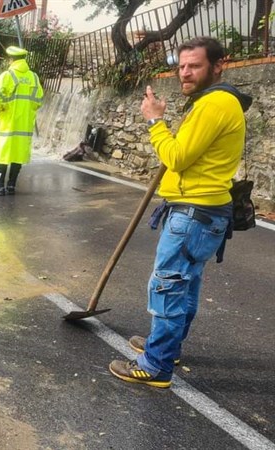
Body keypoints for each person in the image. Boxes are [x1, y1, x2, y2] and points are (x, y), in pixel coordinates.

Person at [109, 37, 252, 389]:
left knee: (168, 286)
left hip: (194, 214)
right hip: (203, 212)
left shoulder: (214, 104)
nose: (185, 73)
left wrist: (155, 121)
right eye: (182, 66)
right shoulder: (211, 101)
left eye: (195, 66)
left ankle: (156, 365)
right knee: (184, 285)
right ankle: (167, 348)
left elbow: (176, 157)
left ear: (218, 65)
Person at [0, 46, 43, 195]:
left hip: (7, 123)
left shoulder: (7, 76)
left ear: (11, 59)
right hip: (24, 125)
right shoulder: (34, 77)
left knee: (2, 153)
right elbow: (38, 101)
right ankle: (11, 186)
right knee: (18, 153)